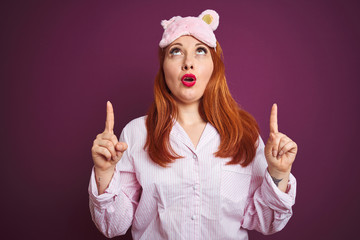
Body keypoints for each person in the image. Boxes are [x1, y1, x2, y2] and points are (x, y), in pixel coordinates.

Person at [89, 9, 297, 239]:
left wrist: (278, 174)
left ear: (214, 66)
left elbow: (265, 221)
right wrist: (104, 172)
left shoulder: (244, 135)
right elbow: (113, 226)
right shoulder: (136, 134)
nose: (188, 63)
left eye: (200, 51)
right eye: (176, 52)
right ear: (163, 68)